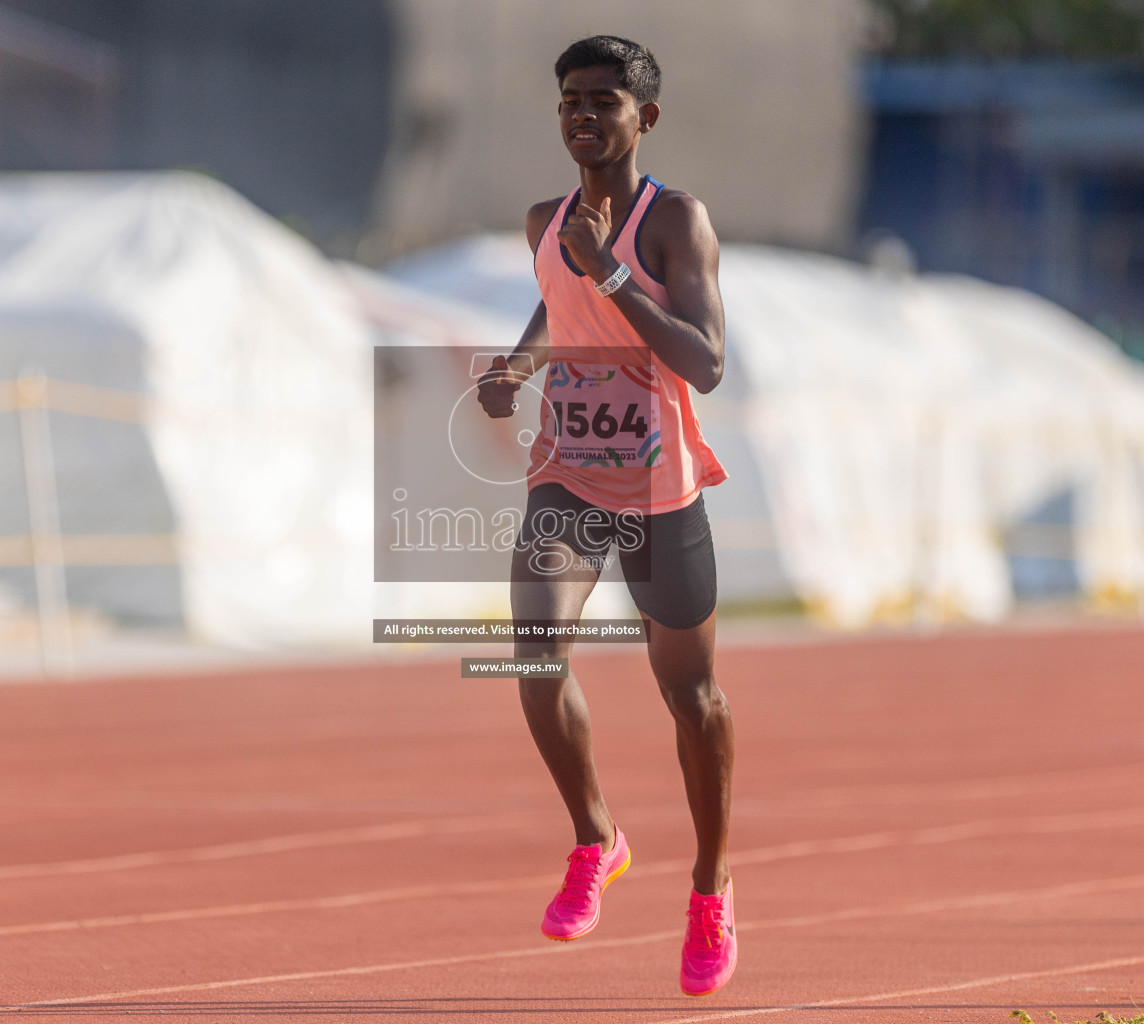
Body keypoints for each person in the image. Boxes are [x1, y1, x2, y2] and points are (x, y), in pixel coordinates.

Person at [477, 35, 736, 997]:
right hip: (572, 474)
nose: (583, 114)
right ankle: (598, 838)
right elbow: (558, 302)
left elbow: (705, 362)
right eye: (569, 100)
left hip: (660, 483)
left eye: (605, 100)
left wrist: (615, 272)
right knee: (535, 647)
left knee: (693, 698)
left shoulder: (676, 221)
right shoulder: (546, 219)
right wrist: (519, 363)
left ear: (644, 118)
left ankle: (710, 887)